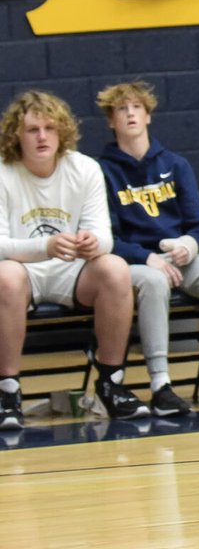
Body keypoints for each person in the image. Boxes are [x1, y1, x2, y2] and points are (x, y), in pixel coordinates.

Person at [96, 81, 199, 414]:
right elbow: (107, 238)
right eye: (121, 109)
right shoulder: (102, 171)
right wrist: (147, 258)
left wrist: (188, 244)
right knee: (154, 283)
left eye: (136, 107)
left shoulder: (176, 164)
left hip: (181, 258)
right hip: (137, 261)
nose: (129, 113)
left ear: (148, 116)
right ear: (111, 121)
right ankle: (161, 385)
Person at [0, 91, 149, 431]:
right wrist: (45, 246)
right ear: (15, 135)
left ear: (62, 132)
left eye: (50, 128)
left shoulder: (84, 168)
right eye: (32, 130)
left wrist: (91, 243)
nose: (42, 137)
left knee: (114, 268)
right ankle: (7, 392)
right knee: (5, 275)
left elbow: (105, 237)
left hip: (71, 270)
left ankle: (111, 382)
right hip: (24, 270)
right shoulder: (4, 172)